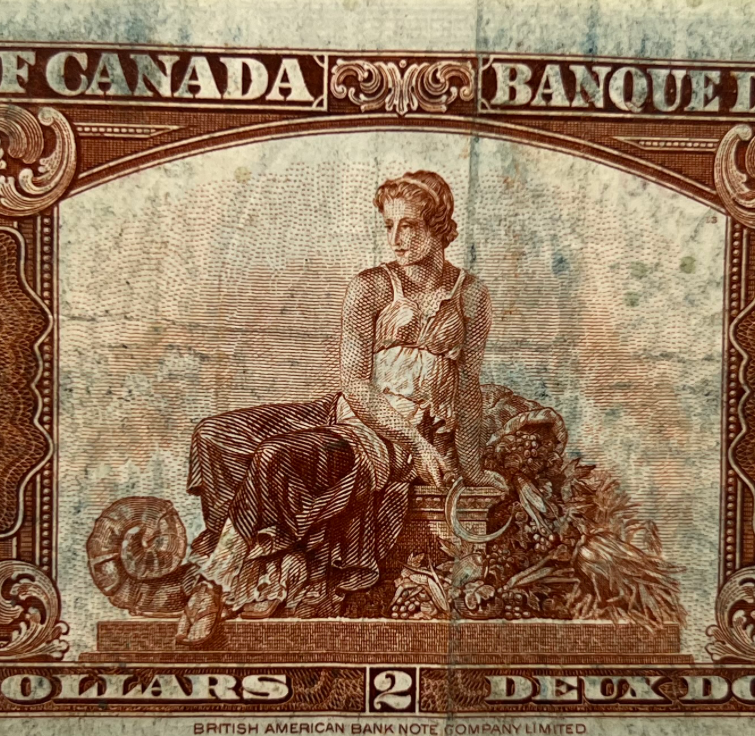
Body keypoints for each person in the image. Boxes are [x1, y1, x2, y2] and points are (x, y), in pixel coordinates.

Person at [177, 170, 507, 645]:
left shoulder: (471, 294)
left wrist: (469, 467)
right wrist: (416, 445)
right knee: (214, 433)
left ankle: (215, 583)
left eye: (410, 225)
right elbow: (355, 382)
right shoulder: (370, 286)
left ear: (438, 226)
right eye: (389, 225)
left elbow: (468, 385)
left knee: (275, 456)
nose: (396, 238)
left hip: (393, 436)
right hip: (356, 411)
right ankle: (263, 566)